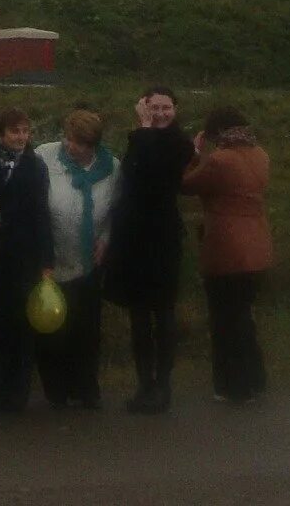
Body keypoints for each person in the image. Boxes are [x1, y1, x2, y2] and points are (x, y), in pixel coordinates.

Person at [105, 85, 194, 414]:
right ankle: (144, 382)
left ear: (175, 109)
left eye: (165, 107)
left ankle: (163, 385)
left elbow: (155, 173)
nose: (160, 113)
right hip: (135, 237)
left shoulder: (179, 143)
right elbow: (132, 173)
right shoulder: (140, 139)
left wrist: (142, 128)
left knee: (163, 310)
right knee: (138, 313)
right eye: (153, 107)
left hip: (162, 237)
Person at [181, 106, 272, 406]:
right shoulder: (260, 155)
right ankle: (255, 379)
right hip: (257, 246)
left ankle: (233, 385)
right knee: (244, 316)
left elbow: (187, 184)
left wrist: (193, 152)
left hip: (227, 248)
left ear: (215, 133)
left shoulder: (221, 160)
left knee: (224, 320)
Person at [32, 109, 117, 410]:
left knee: (87, 327)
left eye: (79, 143)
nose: (71, 146)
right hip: (51, 256)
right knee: (53, 327)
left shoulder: (111, 168)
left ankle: (86, 387)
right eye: (69, 139)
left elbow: (114, 211)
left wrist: (106, 239)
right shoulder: (45, 156)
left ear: (93, 144)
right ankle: (56, 389)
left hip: (88, 259)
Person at [0, 107, 53, 412]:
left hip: (25, 253)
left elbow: (41, 214)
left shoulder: (35, 166)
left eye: (25, 131)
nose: (21, 137)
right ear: (1, 134)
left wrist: (46, 261)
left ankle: (19, 392)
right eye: (15, 131)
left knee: (23, 324)